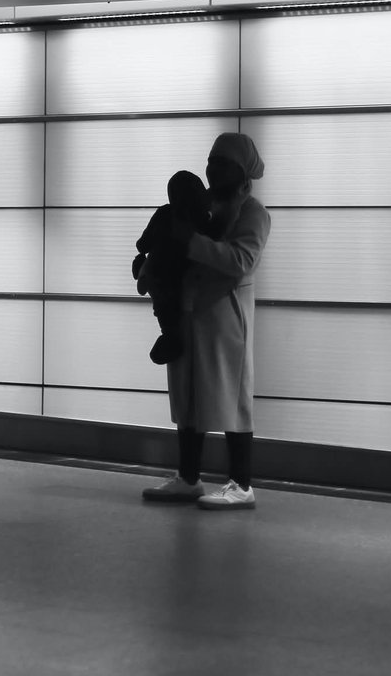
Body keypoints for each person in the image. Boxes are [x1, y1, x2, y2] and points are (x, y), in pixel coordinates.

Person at [141, 132, 272, 510]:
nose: (213, 170)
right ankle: (188, 478)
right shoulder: (200, 204)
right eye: (211, 162)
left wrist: (190, 242)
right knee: (188, 398)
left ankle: (241, 484)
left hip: (225, 318)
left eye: (223, 164)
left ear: (242, 170)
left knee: (232, 400)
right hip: (187, 313)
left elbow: (242, 261)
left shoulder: (253, 212)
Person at [131, 170, 214, 365]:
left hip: (160, 269)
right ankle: (170, 337)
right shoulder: (201, 218)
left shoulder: (165, 213)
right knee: (168, 303)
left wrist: (142, 252)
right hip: (181, 272)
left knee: (162, 303)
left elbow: (144, 242)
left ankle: (169, 335)